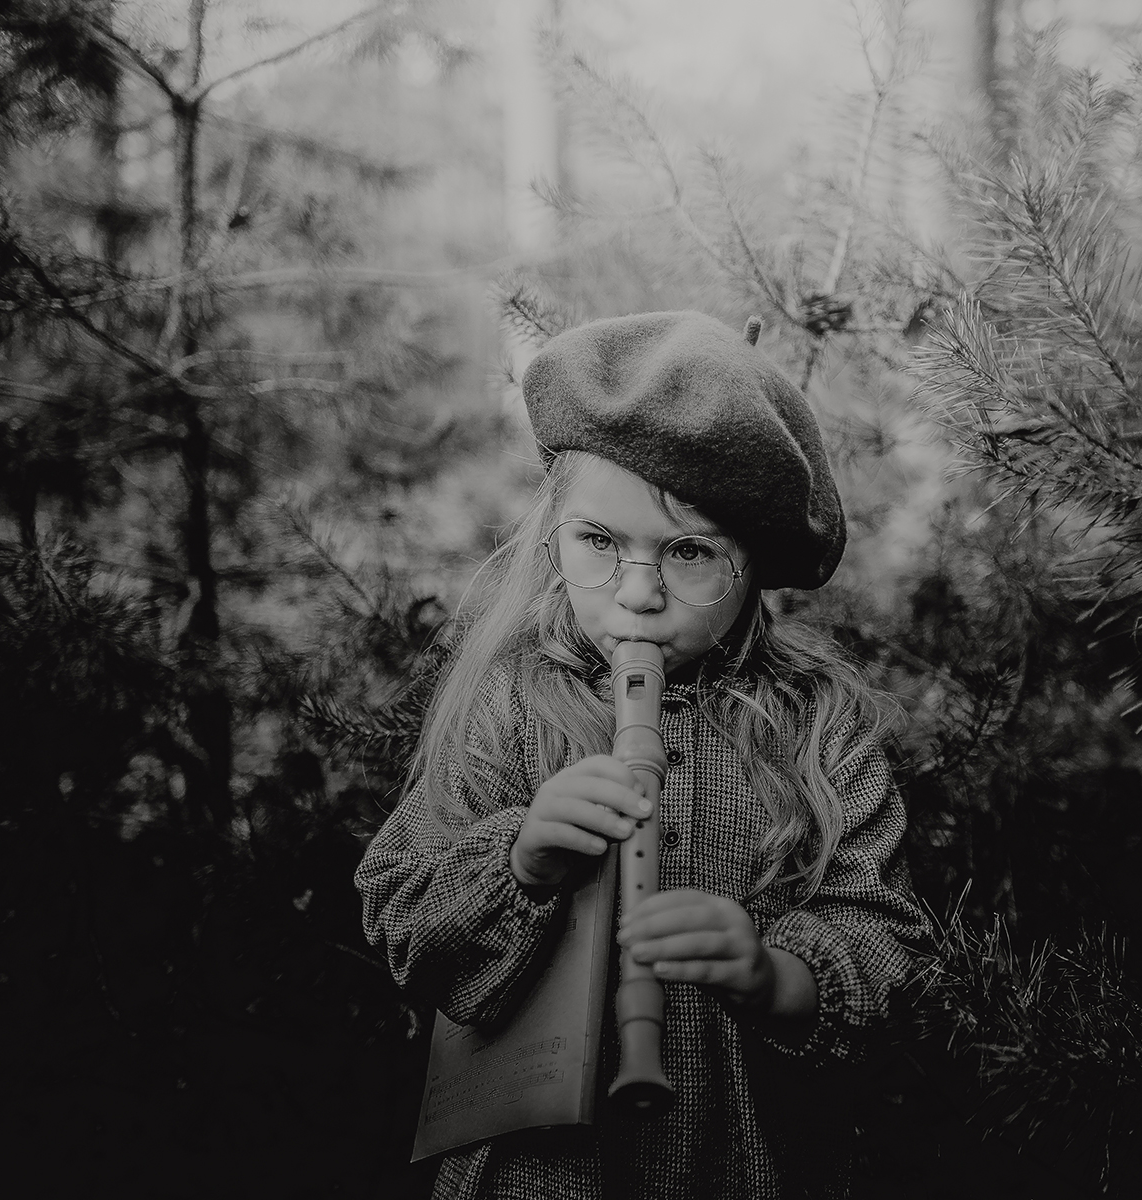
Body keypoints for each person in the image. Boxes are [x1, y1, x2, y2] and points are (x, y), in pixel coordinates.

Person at [355, 310, 929, 1198]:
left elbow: (887, 943)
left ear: (757, 565)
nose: (636, 594)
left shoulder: (817, 725)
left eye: (690, 552)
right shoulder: (513, 699)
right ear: (557, 532)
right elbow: (401, 916)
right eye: (598, 543)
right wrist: (519, 859)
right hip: (536, 1174)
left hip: (742, 1164)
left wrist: (777, 976)